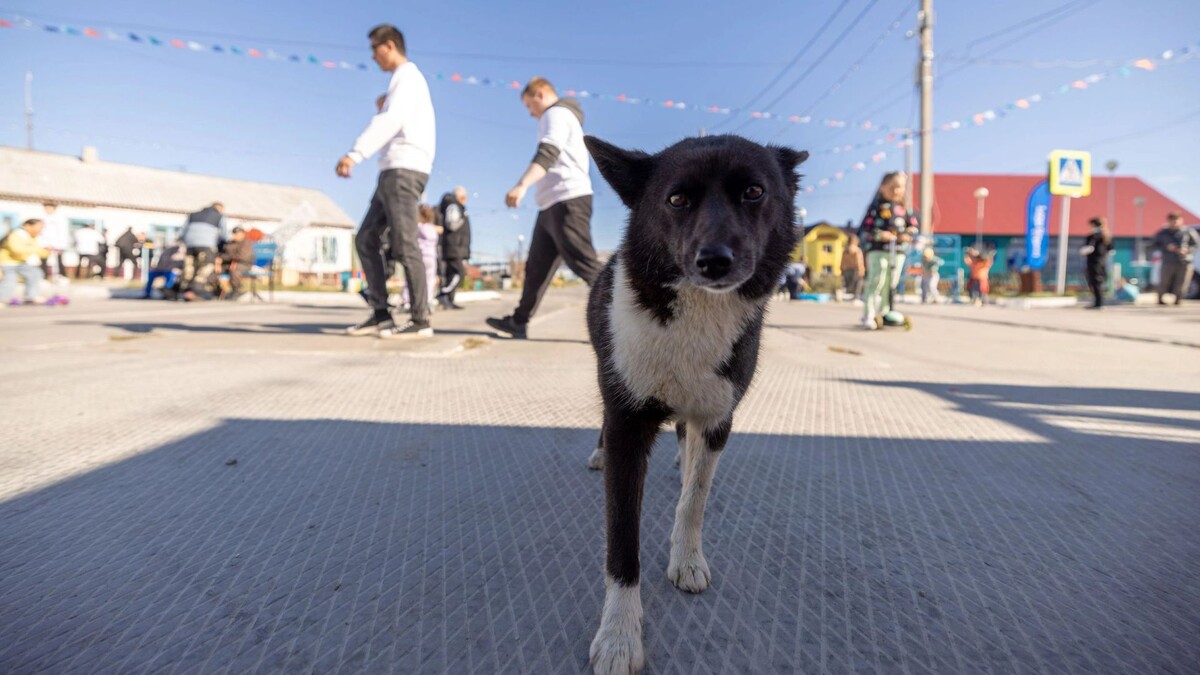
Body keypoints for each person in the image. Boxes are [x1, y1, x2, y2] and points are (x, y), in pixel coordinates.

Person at [338, 24, 437, 339]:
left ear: (389, 45)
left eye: (374, 48)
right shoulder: (402, 83)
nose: (372, 56)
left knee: (406, 244)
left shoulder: (407, 77)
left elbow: (391, 121)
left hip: (404, 170)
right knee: (366, 238)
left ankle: (421, 320)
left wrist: (355, 153)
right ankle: (381, 314)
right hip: (392, 170)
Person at [487, 77, 603, 340]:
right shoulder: (558, 116)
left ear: (540, 94)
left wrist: (521, 185)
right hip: (550, 203)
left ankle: (628, 324)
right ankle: (519, 321)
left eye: (529, 105)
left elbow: (547, 152)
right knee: (536, 268)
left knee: (585, 263)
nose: (530, 112)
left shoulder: (556, 114)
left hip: (567, 200)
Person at [858, 172, 919, 329]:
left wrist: (907, 234)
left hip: (898, 250)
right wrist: (880, 234)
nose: (896, 191)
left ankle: (885, 312)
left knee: (891, 282)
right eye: (892, 187)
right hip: (878, 249)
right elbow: (867, 227)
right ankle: (869, 313)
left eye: (900, 187)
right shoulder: (876, 207)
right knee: (877, 279)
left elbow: (913, 226)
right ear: (882, 187)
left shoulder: (905, 209)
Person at [179, 202, 228, 300]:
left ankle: (184, 291)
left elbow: (181, 232)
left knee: (190, 268)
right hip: (206, 246)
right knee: (206, 267)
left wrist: (187, 242)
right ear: (219, 209)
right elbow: (224, 235)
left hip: (190, 245)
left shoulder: (193, 215)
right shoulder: (219, 216)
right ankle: (195, 291)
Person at [1153, 212, 1199, 305]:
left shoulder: (1188, 231)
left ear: (1181, 221)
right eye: (1172, 221)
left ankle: (1178, 299)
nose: (1174, 223)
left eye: (1176, 221)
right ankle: (1160, 298)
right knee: (1164, 280)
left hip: (1184, 260)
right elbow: (1154, 244)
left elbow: (1196, 244)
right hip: (1168, 260)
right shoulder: (1163, 233)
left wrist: (1187, 250)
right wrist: (1167, 247)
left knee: (1182, 281)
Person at [436, 186, 471, 310]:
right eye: (464, 197)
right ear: (460, 197)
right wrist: (462, 219)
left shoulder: (455, 206)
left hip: (455, 246)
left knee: (452, 274)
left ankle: (449, 300)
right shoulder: (453, 205)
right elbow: (451, 224)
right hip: (453, 246)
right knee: (459, 273)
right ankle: (443, 294)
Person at [0, 218, 49, 305]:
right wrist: (31, 253)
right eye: (38, 227)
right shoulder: (16, 234)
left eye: (42, 227)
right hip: (8, 263)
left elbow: (37, 249)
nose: (40, 230)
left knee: (35, 273)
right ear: (27, 226)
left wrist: (46, 252)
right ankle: (1, 299)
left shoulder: (32, 237)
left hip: (21, 262)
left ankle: (31, 296)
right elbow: (16, 249)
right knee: (10, 281)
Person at [401, 205, 441, 310]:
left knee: (411, 277)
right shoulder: (432, 229)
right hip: (431, 257)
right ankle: (427, 301)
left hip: (419, 256)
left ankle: (406, 300)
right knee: (429, 280)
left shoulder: (417, 226)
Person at [213, 226, 254, 300]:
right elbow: (223, 253)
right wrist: (219, 261)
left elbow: (242, 256)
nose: (235, 236)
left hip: (243, 264)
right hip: (227, 263)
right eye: (234, 234)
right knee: (214, 270)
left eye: (238, 234)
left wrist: (225, 258)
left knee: (235, 270)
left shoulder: (246, 243)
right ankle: (216, 291)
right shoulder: (230, 243)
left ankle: (236, 290)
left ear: (243, 234)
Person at [1080, 217, 1112, 309]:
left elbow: (1089, 248)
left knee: (1095, 283)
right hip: (1103, 262)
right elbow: (1111, 250)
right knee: (1098, 283)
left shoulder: (1093, 237)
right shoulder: (1107, 236)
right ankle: (1098, 302)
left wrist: (1083, 251)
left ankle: (1099, 303)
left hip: (1094, 263)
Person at [39, 202, 70, 279]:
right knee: (43, 260)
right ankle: (43, 277)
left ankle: (63, 276)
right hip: (45, 244)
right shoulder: (42, 219)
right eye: (46, 208)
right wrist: (43, 243)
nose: (47, 210)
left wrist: (60, 245)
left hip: (57, 244)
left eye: (49, 208)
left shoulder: (60, 219)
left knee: (58, 261)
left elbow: (63, 232)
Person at [841, 235, 864, 301]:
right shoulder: (857, 250)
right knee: (858, 284)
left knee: (846, 284)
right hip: (855, 269)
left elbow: (842, 260)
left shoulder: (845, 250)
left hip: (846, 269)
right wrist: (861, 269)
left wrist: (842, 269)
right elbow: (858, 260)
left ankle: (841, 295)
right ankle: (856, 297)